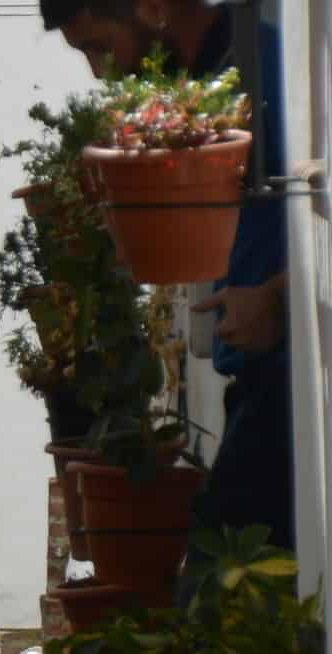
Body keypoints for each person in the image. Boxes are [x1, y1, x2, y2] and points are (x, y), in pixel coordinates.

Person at [39, 0, 293, 553]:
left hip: (293, 376)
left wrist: (277, 297)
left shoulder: (260, 62)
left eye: (99, 46)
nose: (101, 72)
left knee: (217, 577)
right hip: (256, 375)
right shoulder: (205, 80)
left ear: (151, 7)